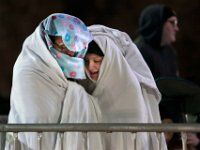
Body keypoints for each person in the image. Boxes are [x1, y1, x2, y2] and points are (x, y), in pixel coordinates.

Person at [5, 13, 103, 150]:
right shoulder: (29, 70)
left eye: (73, 51)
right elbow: (35, 123)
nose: (69, 55)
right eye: (62, 47)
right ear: (46, 40)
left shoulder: (58, 70)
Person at [78, 24, 168, 150]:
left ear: (112, 59)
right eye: (86, 61)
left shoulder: (130, 91)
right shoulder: (83, 87)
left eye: (97, 61)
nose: (91, 67)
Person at [134, 4, 179, 79]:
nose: (176, 28)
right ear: (158, 23)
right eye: (173, 23)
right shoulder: (139, 52)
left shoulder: (170, 51)